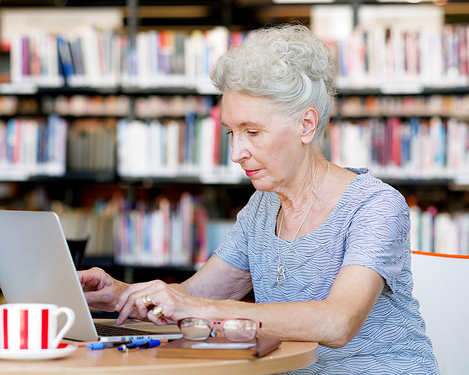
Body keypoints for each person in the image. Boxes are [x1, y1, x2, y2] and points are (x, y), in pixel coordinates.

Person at [78, 23, 440, 374]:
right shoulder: (262, 207)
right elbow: (191, 295)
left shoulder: (375, 205)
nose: (236, 153)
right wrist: (122, 294)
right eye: (232, 133)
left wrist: (199, 308)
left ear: (306, 125)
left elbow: (338, 322)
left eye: (253, 132)